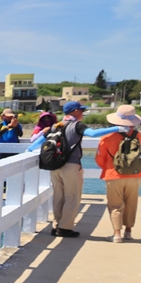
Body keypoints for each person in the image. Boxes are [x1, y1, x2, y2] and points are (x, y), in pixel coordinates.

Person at [29, 101, 123, 237]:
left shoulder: (56, 126)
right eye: (81, 110)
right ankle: (65, 228)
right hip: (71, 165)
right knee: (72, 196)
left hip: (55, 166)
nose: (83, 113)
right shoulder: (77, 125)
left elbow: (37, 143)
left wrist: (29, 150)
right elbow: (93, 134)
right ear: (74, 111)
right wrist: (116, 129)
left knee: (58, 196)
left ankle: (56, 225)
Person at [95, 105, 141, 243]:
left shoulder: (107, 137)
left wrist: (109, 168)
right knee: (131, 203)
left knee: (115, 205)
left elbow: (99, 159)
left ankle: (116, 234)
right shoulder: (139, 136)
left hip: (113, 175)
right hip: (135, 175)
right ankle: (128, 231)